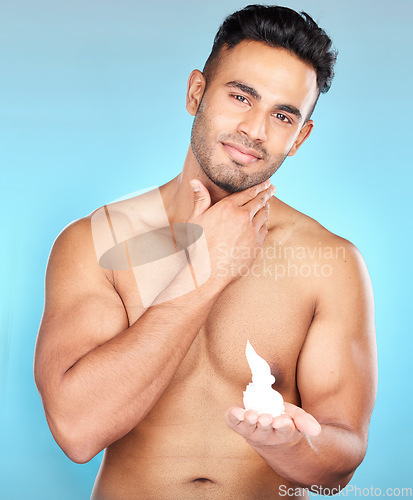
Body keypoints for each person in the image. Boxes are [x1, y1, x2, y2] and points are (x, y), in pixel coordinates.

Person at [34, 4, 377, 499]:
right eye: (241, 97)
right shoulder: (95, 242)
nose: (255, 130)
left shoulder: (332, 263)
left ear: (299, 138)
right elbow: (77, 430)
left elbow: (339, 465)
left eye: (282, 115)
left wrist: (289, 447)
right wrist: (206, 270)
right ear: (197, 92)